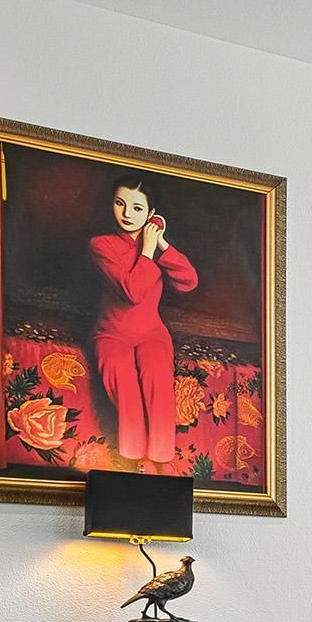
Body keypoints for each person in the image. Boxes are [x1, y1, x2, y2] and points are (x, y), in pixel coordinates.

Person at [88, 178, 200, 465]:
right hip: (112, 335)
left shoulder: (155, 245)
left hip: (152, 334)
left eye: (137, 208)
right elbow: (133, 291)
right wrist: (148, 250)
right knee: (127, 393)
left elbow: (189, 282)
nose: (126, 214)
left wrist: (161, 243)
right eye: (120, 203)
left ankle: (161, 464)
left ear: (151, 215)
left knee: (159, 385)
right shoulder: (102, 245)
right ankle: (132, 464)